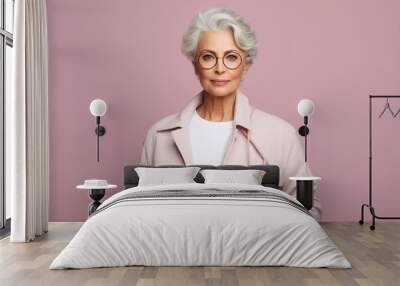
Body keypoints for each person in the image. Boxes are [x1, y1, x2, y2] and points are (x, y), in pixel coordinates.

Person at [139, 7, 321, 220]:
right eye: (208, 57)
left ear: (246, 65)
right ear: (195, 64)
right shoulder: (159, 135)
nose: (219, 68)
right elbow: (139, 207)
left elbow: (308, 211)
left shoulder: (281, 134)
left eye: (231, 57)